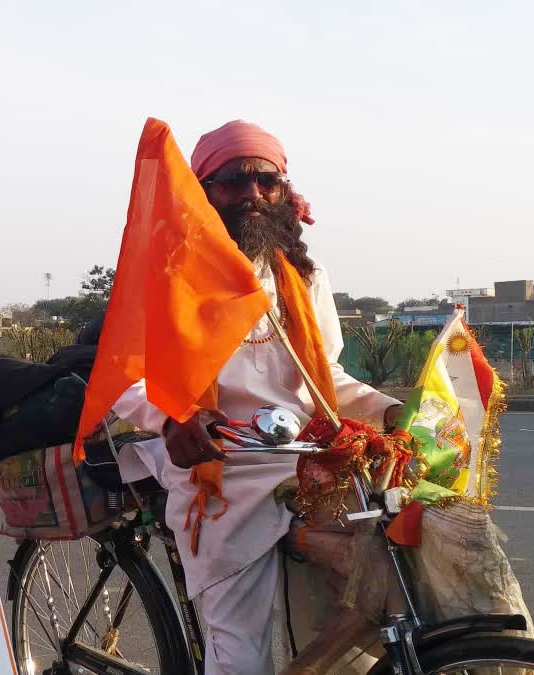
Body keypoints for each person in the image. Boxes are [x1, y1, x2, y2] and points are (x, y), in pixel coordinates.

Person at [112, 120, 402, 675]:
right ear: (203, 193)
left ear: (284, 191)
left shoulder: (303, 277)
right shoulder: (166, 273)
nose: (252, 194)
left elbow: (323, 381)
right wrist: (173, 420)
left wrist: (391, 409)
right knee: (241, 656)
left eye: (266, 181)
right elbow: (125, 375)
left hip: (305, 464)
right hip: (217, 474)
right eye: (232, 181)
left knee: (384, 585)